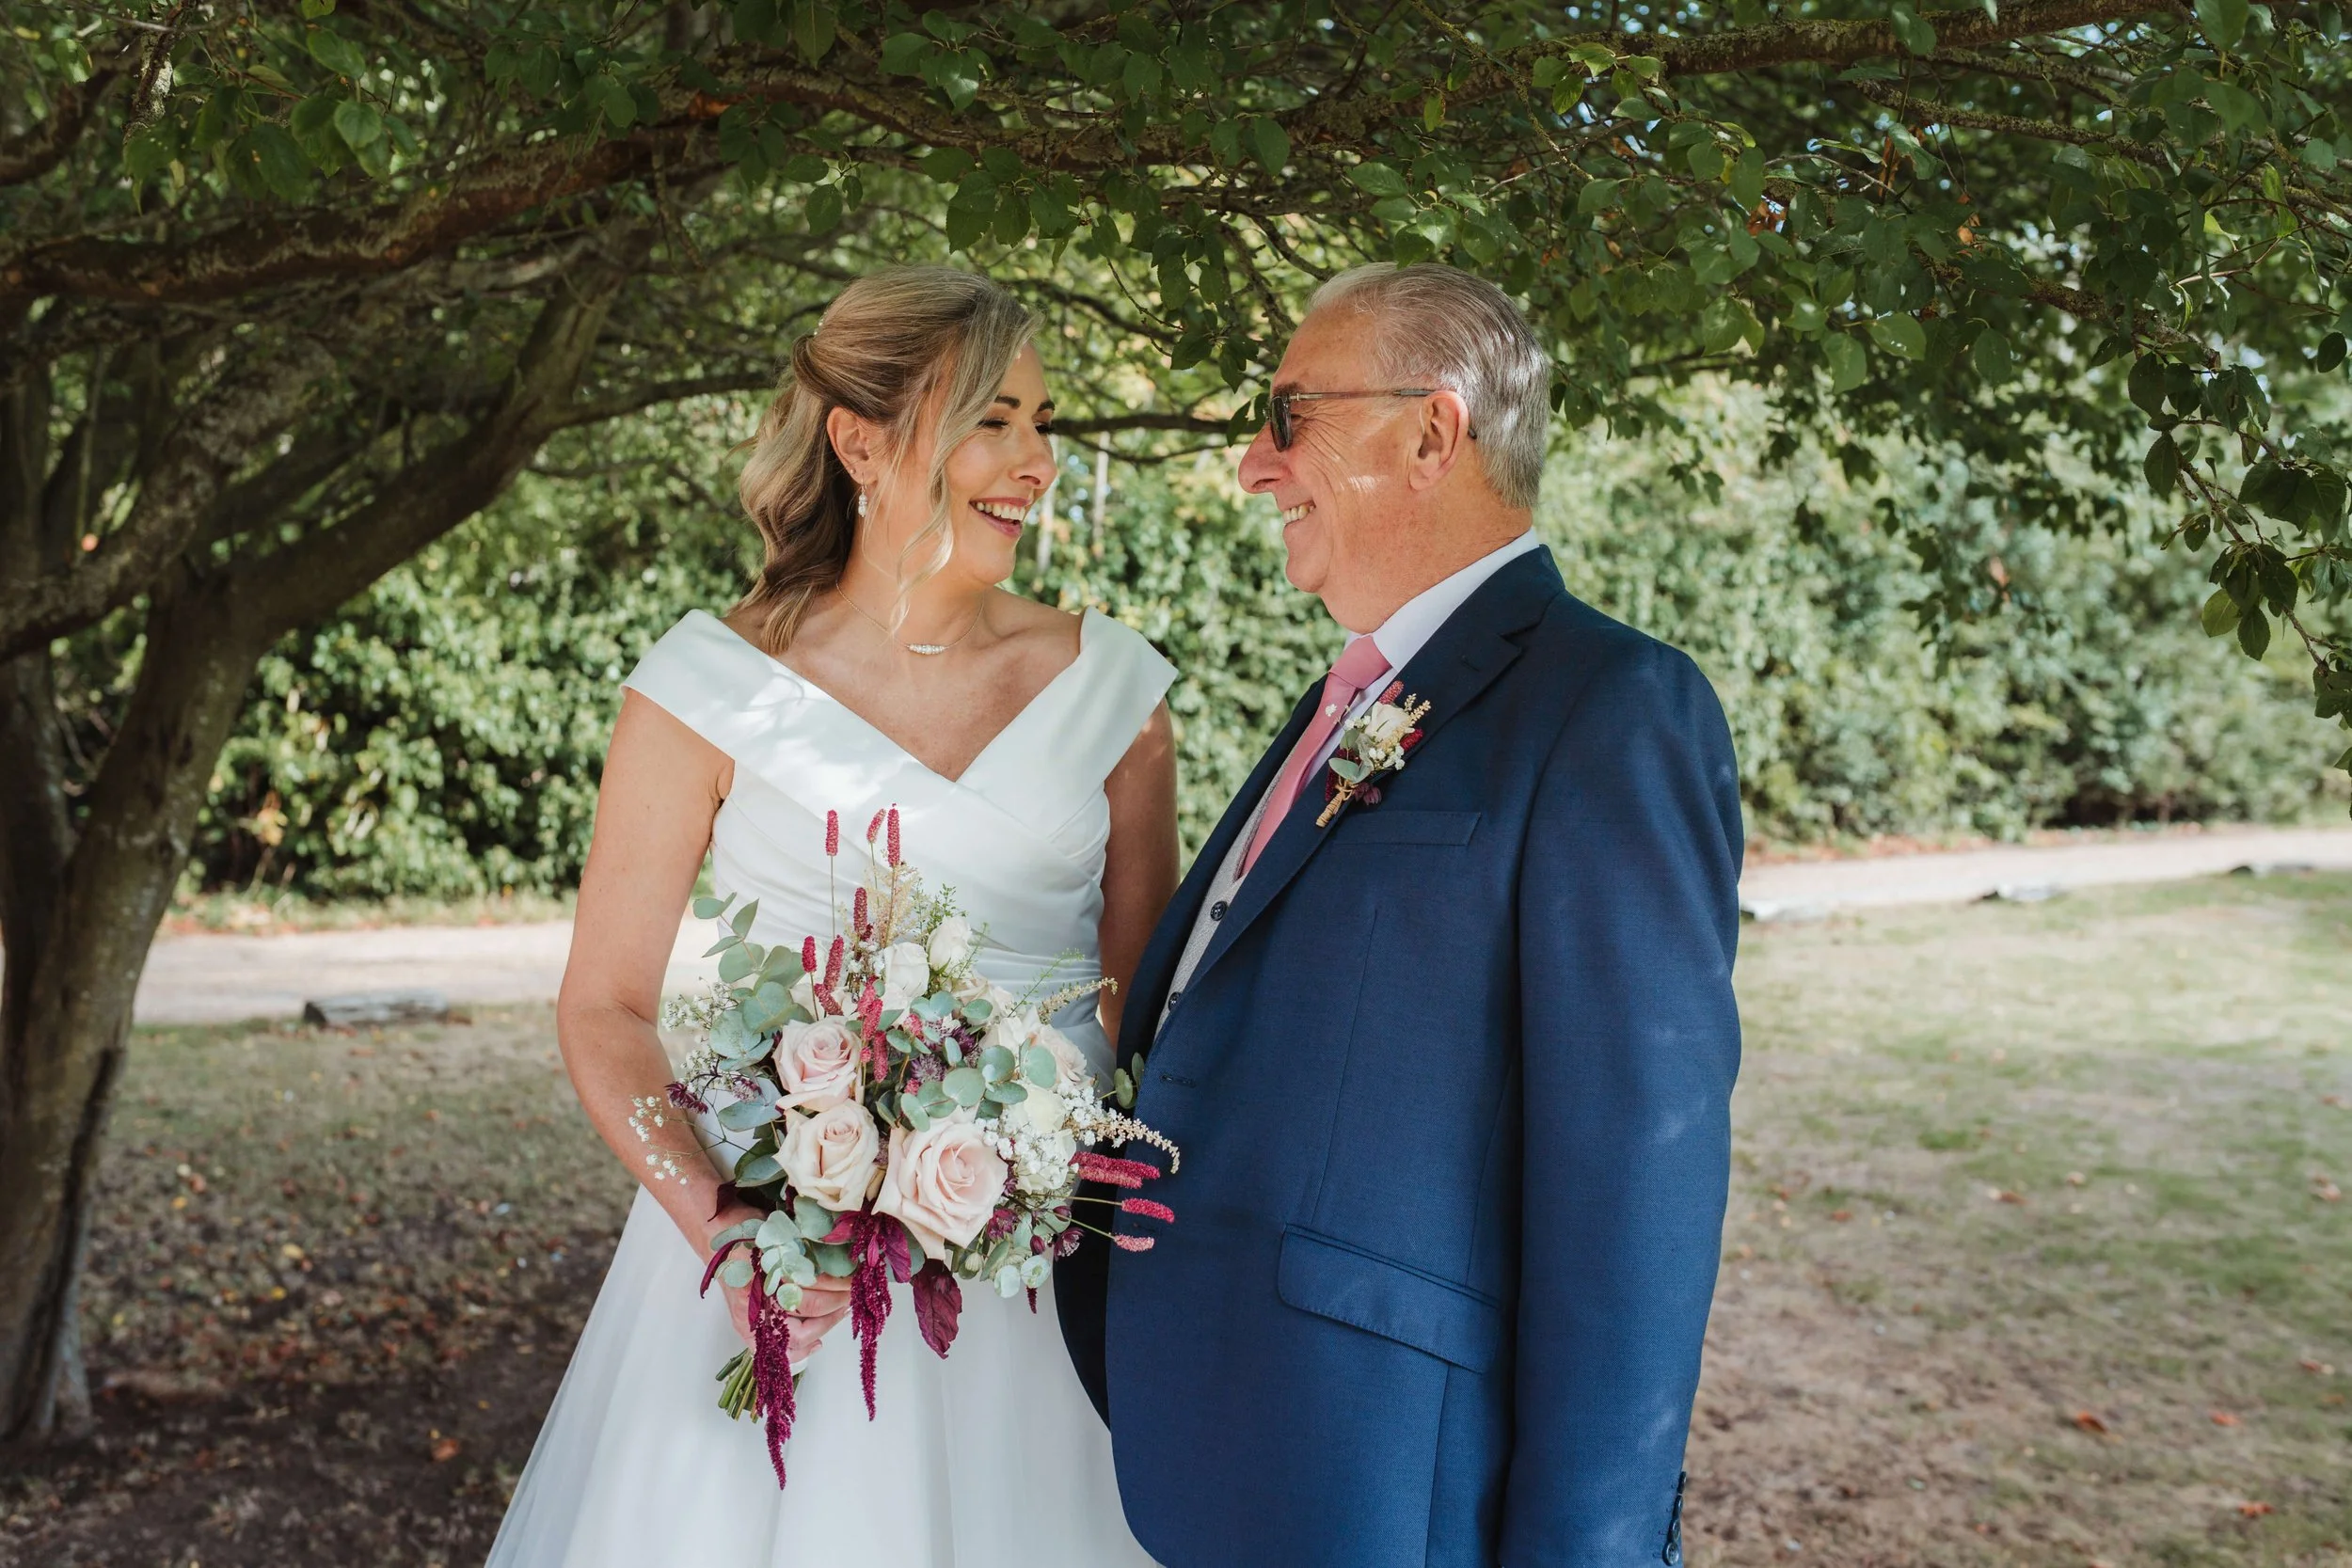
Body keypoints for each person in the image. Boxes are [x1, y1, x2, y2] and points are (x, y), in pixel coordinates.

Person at [1056, 263, 1745, 1568]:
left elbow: (1637, 1200)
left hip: (1392, 1480)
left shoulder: (1610, 711)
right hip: (1233, 1443)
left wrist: (1588, 1553)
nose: (1254, 466)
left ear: (1432, 432)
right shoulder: (1355, 694)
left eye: (1289, 415)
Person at [487, 267, 1177, 1568]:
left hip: (1041, 1282)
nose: (1036, 460)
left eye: (1043, 420)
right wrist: (727, 1229)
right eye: (992, 419)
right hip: (777, 1253)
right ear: (860, 442)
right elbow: (606, 1005)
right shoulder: (707, 687)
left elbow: (1140, 1007)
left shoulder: (1113, 691)